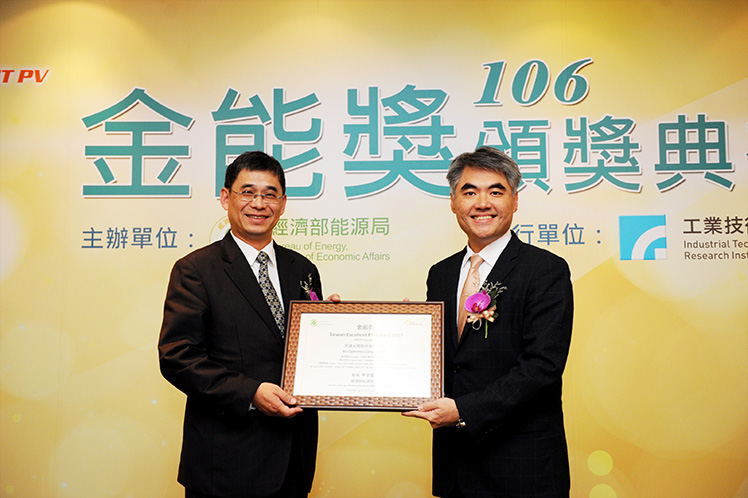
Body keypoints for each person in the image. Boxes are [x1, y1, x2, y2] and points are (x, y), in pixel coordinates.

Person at [159, 151, 333, 498]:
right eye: (248, 192)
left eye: (270, 194)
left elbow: (304, 353)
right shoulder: (196, 269)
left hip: (293, 460)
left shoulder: (303, 269)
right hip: (225, 464)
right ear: (226, 198)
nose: (259, 204)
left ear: (283, 203)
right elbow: (177, 357)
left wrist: (332, 328)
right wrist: (250, 392)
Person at [403, 146, 574, 498]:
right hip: (456, 464)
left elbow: (543, 366)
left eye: (495, 192)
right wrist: (402, 335)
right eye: (469, 192)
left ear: (515, 200)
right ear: (453, 202)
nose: (482, 203)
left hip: (522, 467)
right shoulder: (441, 273)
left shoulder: (545, 270)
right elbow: (447, 359)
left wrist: (463, 410)